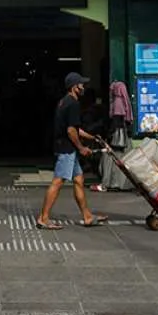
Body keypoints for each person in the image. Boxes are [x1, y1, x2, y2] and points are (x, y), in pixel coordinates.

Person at [36, 72, 107, 230]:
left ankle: (87, 216)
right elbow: (71, 131)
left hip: (67, 147)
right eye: (81, 85)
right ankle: (43, 218)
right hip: (67, 149)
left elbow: (75, 128)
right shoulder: (73, 104)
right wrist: (82, 148)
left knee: (78, 180)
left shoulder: (64, 102)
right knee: (58, 181)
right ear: (75, 87)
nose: (84, 87)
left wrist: (92, 138)